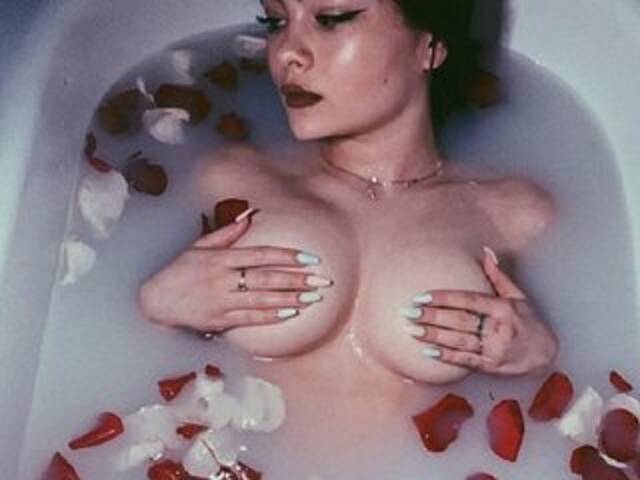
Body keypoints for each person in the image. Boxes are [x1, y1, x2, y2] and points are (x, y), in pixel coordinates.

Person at [138, 0, 558, 452]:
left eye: (332, 19)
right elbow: (130, 357)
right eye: (275, 22)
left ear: (429, 46)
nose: (286, 53)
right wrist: (158, 306)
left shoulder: (514, 212)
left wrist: (538, 355)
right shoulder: (231, 179)